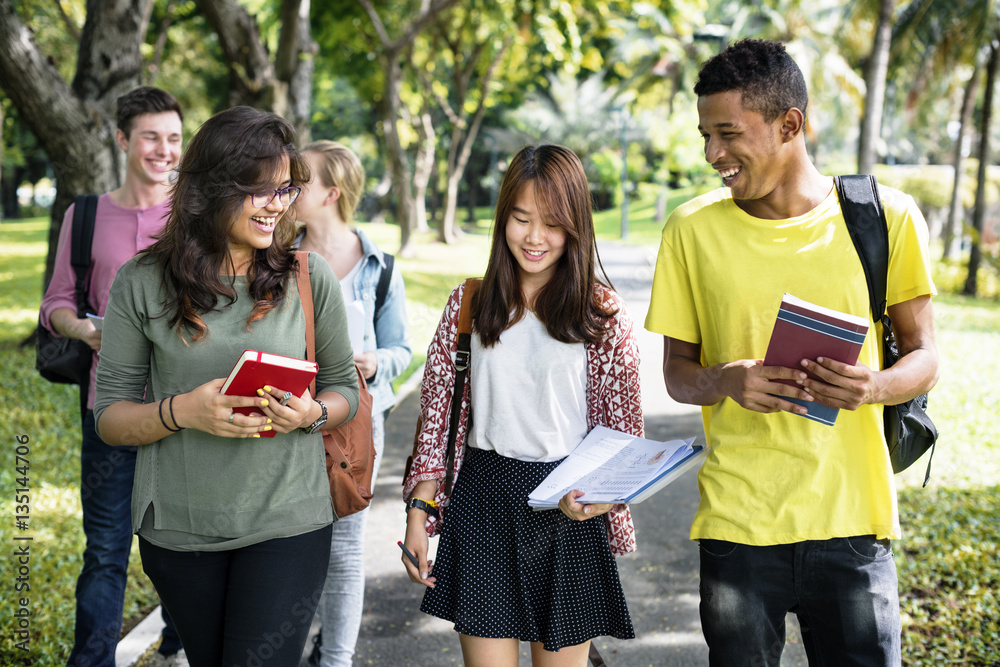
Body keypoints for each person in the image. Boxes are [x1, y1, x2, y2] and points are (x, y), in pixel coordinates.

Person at [645, 39, 939, 666]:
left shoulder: (885, 217)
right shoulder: (690, 230)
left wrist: (874, 387)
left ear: (790, 124)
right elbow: (677, 375)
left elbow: (925, 356)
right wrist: (726, 380)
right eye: (704, 135)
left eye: (727, 133)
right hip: (737, 525)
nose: (712, 154)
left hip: (853, 523)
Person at [92, 106, 360, 666]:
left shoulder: (310, 278)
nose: (277, 204)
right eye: (259, 189)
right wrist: (181, 412)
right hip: (180, 530)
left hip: (290, 518)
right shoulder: (141, 282)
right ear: (211, 187)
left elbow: (344, 391)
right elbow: (111, 418)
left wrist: (311, 413)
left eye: (285, 188)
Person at [402, 144, 642, 667]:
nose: (535, 238)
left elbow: (625, 438)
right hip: (483, 500)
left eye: (553, 224)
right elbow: (436, 421)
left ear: (576, 226)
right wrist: (419, 513)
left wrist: (601, 498)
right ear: (502, 218)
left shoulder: (602, 316)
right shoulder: (469, 304)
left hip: (568, 507)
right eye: (522, 218)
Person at [39, 86, 186, 667]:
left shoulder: (193, 213)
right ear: (123, 139)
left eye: (174, 138)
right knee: (104, 552)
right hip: (109, 410)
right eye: (151, 136)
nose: (163, 150)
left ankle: (179, 645)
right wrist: (84, 330)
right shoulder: (86, 216)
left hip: (184, 411)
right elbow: (55, 303)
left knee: (178, 546)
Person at [294, 140, 412, 666]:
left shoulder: (380, 267)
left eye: (300, 181)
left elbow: (403, 348)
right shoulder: (275, 259)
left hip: (358, 425)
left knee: (343, 550)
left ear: (331, 193)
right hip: (289, 419)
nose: (287, 189)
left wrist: (376, 362)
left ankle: (336, 659)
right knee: (290, 545)